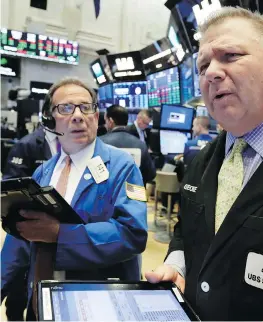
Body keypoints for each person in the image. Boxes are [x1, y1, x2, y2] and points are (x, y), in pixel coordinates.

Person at [145, 7, 263, 321]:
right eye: (203, 66)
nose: (212, 72)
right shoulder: (201, 161)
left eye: (230, 55)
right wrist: (177, 265)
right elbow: (186, 232)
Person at [1, 77, 148, 320]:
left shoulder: (123, 167)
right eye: (66, 108)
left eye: (86, 107)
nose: (78, 115)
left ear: (97, 117)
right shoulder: (44, 172)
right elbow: (21, 235)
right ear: (50, 120)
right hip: (41, 299)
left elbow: (133, 234)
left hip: (97, 305)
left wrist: (61, 234)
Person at [2, 117, 59, 321]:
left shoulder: (74, 151)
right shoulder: (27, 145)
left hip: (57, 240)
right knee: (18, 288)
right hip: (25, 230)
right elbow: (9, 188)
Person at [100, 104, 156, 185]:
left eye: (105, 121)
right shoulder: (141, 145)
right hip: (134, 194)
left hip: (106, 194)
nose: (105, 125)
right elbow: (151, 175)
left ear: (110, 121)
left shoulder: (99, 143)